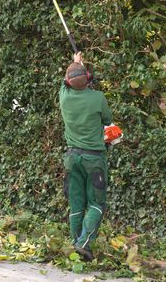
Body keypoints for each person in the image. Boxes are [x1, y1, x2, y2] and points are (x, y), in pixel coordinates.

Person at [59, 52, 112, 261]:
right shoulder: (98, 98)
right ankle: (83, 243)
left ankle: (76, 245)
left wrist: (75, 63)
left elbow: (67, 81)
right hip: (94, 159)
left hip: (72, 159)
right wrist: (81, 67)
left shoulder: (64, 95)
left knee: (76, 202)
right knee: (97, 203)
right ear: (89, 78)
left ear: (68, 82)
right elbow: (108, 119)